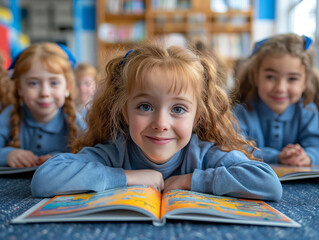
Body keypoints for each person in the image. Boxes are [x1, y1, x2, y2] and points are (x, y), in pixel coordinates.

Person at [31, 43, 282, 201]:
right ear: (124, 112)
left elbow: (268, 182)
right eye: (145, 107)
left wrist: (190, 181)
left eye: (178, 109)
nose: (161, 123)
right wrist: (128, 177)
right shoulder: (114, 152)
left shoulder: (203, 154)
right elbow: (44, 179)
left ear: (198, 117)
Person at [232, 33, 319, 166]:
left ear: (305, 82)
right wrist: (277, 157)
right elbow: (235, 147)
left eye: (292, 79)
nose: (280, 88)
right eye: (271, 77)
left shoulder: (308, 111)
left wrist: (307, 156)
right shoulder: (241, 112)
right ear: (256, 77)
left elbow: (316, 146)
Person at [0, 42, 87, 168]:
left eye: (54, 83)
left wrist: (61, 159)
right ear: (20, 88)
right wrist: (8, 155)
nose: (44, 93)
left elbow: (91, 156)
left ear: (67, 88)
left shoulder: (74, 120)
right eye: (33, 83)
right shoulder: (8, 115)